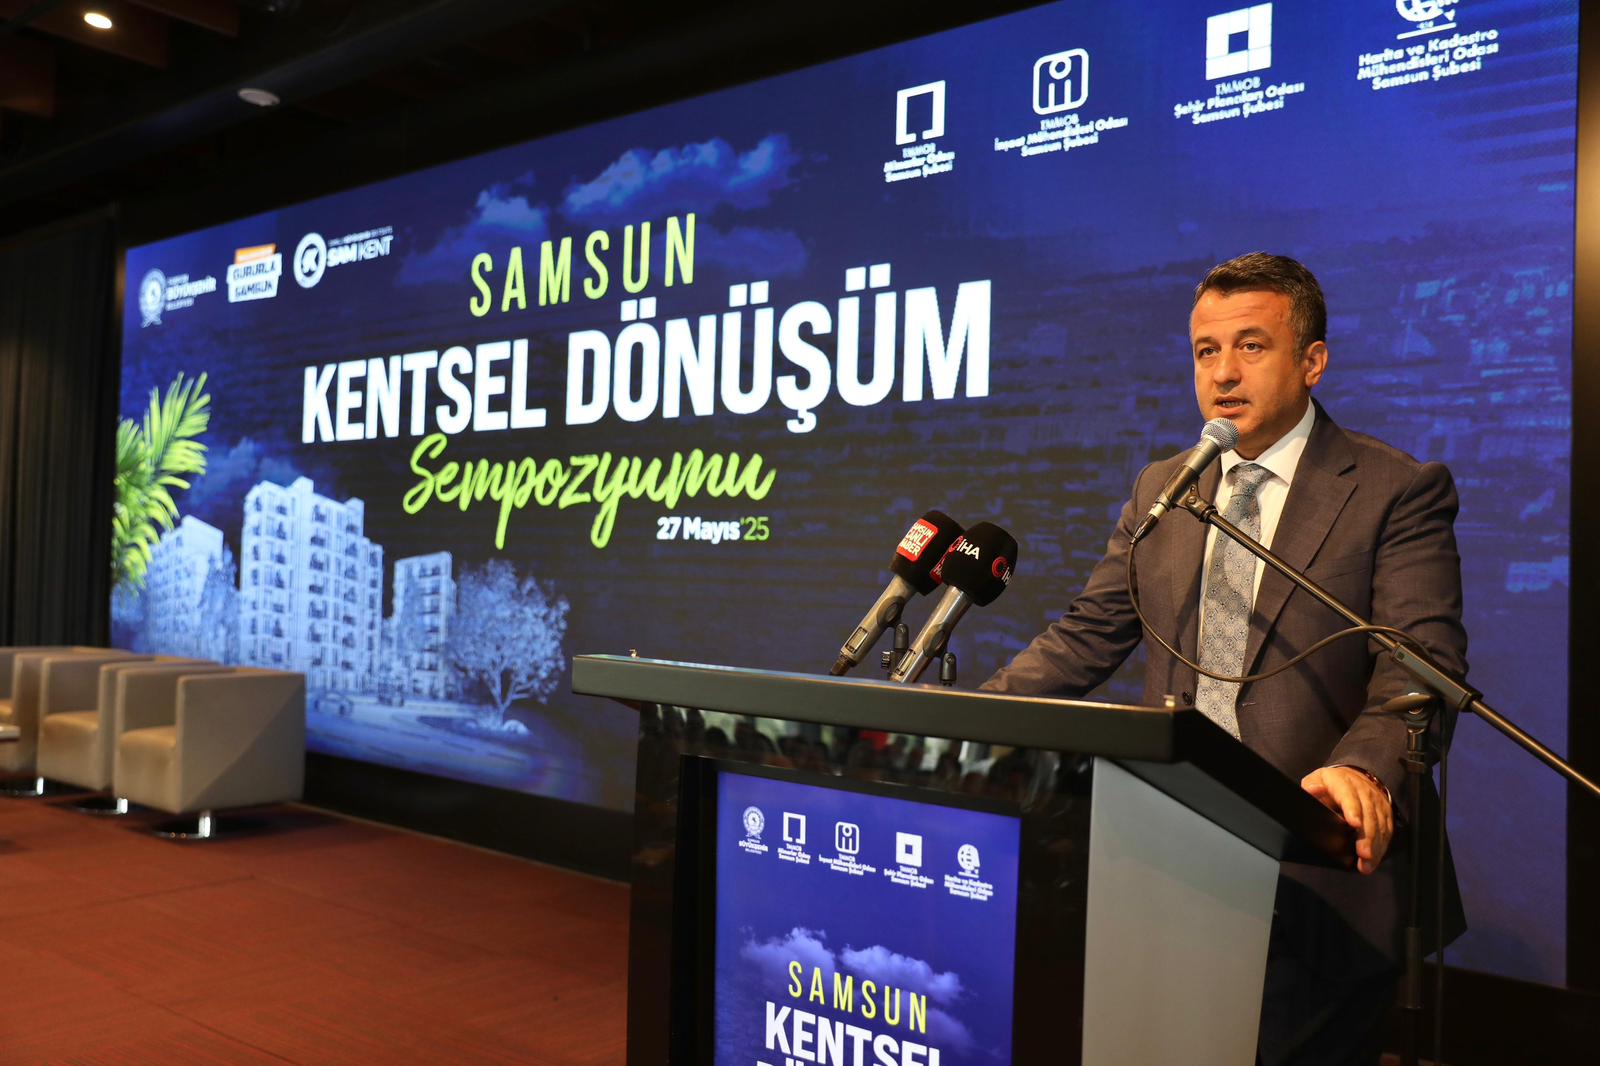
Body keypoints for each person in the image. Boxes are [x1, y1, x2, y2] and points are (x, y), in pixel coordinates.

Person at [982, 252, 1467, 1064]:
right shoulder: (1165, 489)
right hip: (1172, 865)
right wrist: (973, 719)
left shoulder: (1394, 489)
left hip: (1319, 877)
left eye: (1251, 346)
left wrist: (1365, 770)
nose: (1223, 373)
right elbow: (1087, 636)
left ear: (1312, 361)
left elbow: (1419, 664)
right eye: (1206, 351)